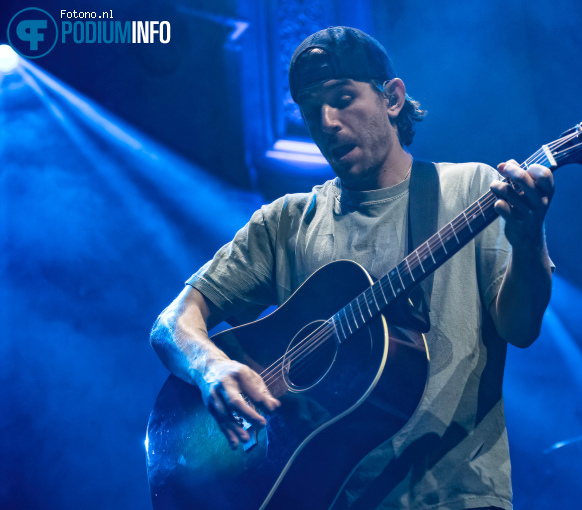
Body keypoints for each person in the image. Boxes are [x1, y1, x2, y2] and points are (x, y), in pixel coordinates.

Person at [150, 26, 554, 510]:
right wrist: (210, 366)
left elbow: (522, 327)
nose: (326, 122)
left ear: (393, 98)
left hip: (457, 498)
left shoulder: (471, 189)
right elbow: (172, 323)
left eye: (343, 99)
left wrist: (528, 244)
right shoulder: (286, 222)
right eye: (310, 108)